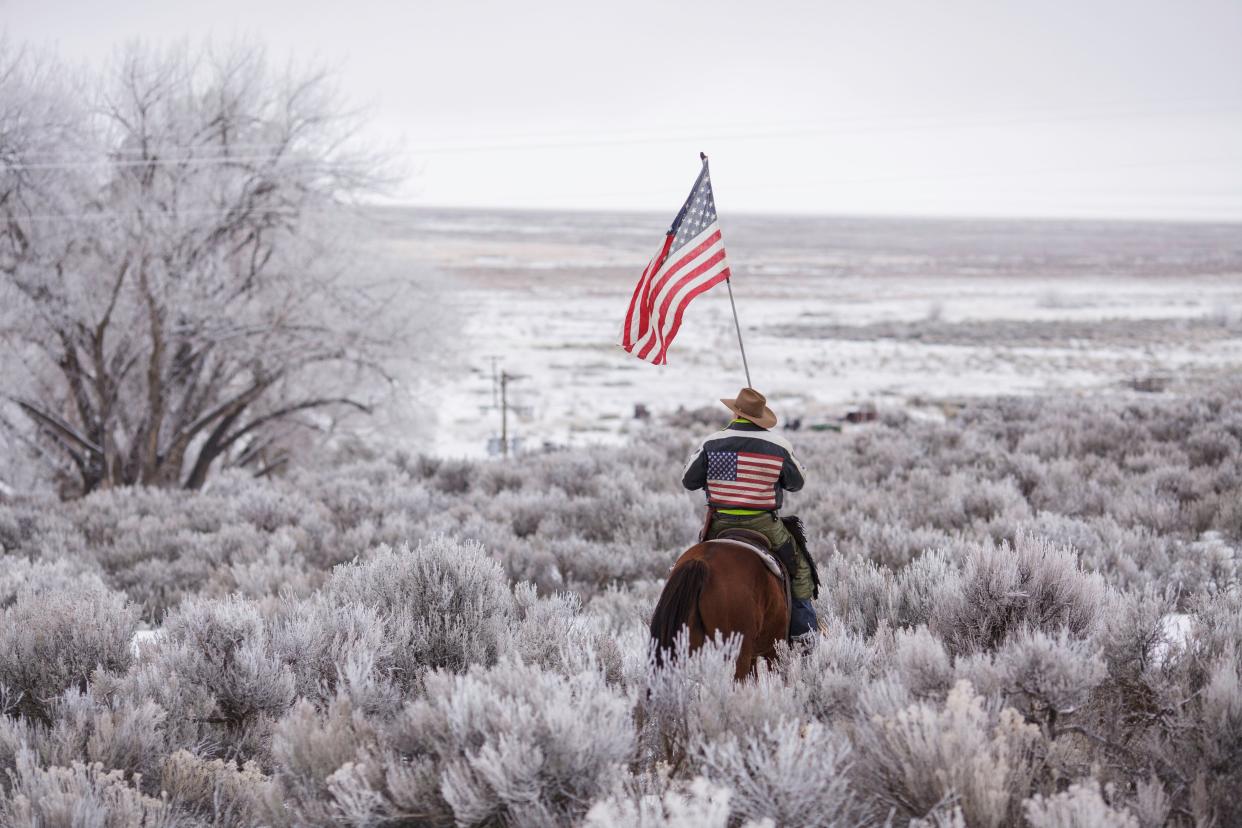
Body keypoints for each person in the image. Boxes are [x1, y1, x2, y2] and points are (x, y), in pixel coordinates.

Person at [681, 387, 819, 647]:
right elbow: (797, 482)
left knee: (691, 567)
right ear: (760, 416)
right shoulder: (778, 446)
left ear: (736, 412)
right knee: (800, 571)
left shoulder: (711, 442)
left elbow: (688, 480)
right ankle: (805, 636)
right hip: (764, 525)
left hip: (719, 524)